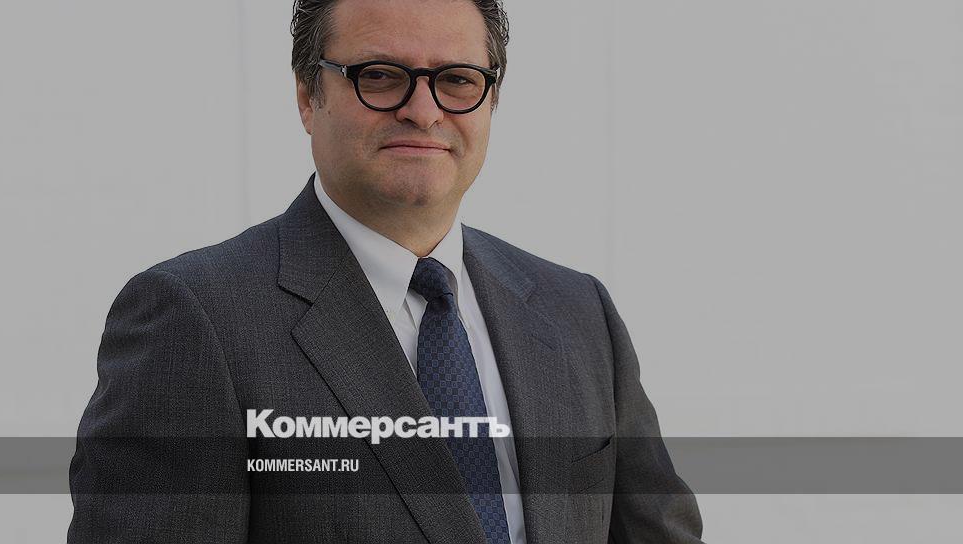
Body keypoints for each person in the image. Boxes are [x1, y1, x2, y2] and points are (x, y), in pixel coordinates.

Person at [67, 0, 704, 542]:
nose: (423, 111)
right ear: (306, 95)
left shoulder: (578, 311)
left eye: (458, 79)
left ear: (491, 98)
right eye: (379, 75)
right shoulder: (193, 319)